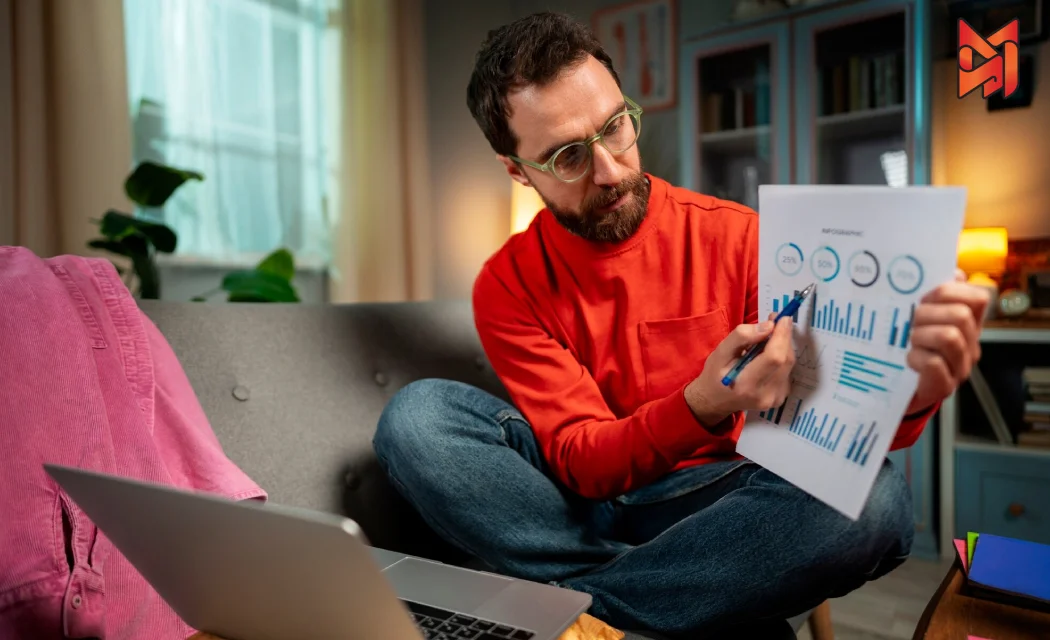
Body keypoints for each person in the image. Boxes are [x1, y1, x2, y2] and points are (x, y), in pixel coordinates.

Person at [373, 12, 988, 638]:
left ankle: (587, 612)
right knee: (417, 419)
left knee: (876, 500)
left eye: (615, 128)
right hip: (574, 505)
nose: (610, 170)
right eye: (565, 157)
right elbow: (583, 462)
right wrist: (698, 403)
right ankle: (689, 604)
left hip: (717, 502)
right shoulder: (507, 283)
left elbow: (826, 431)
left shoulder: (738, 235)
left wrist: (917, 390)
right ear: (517, 171)